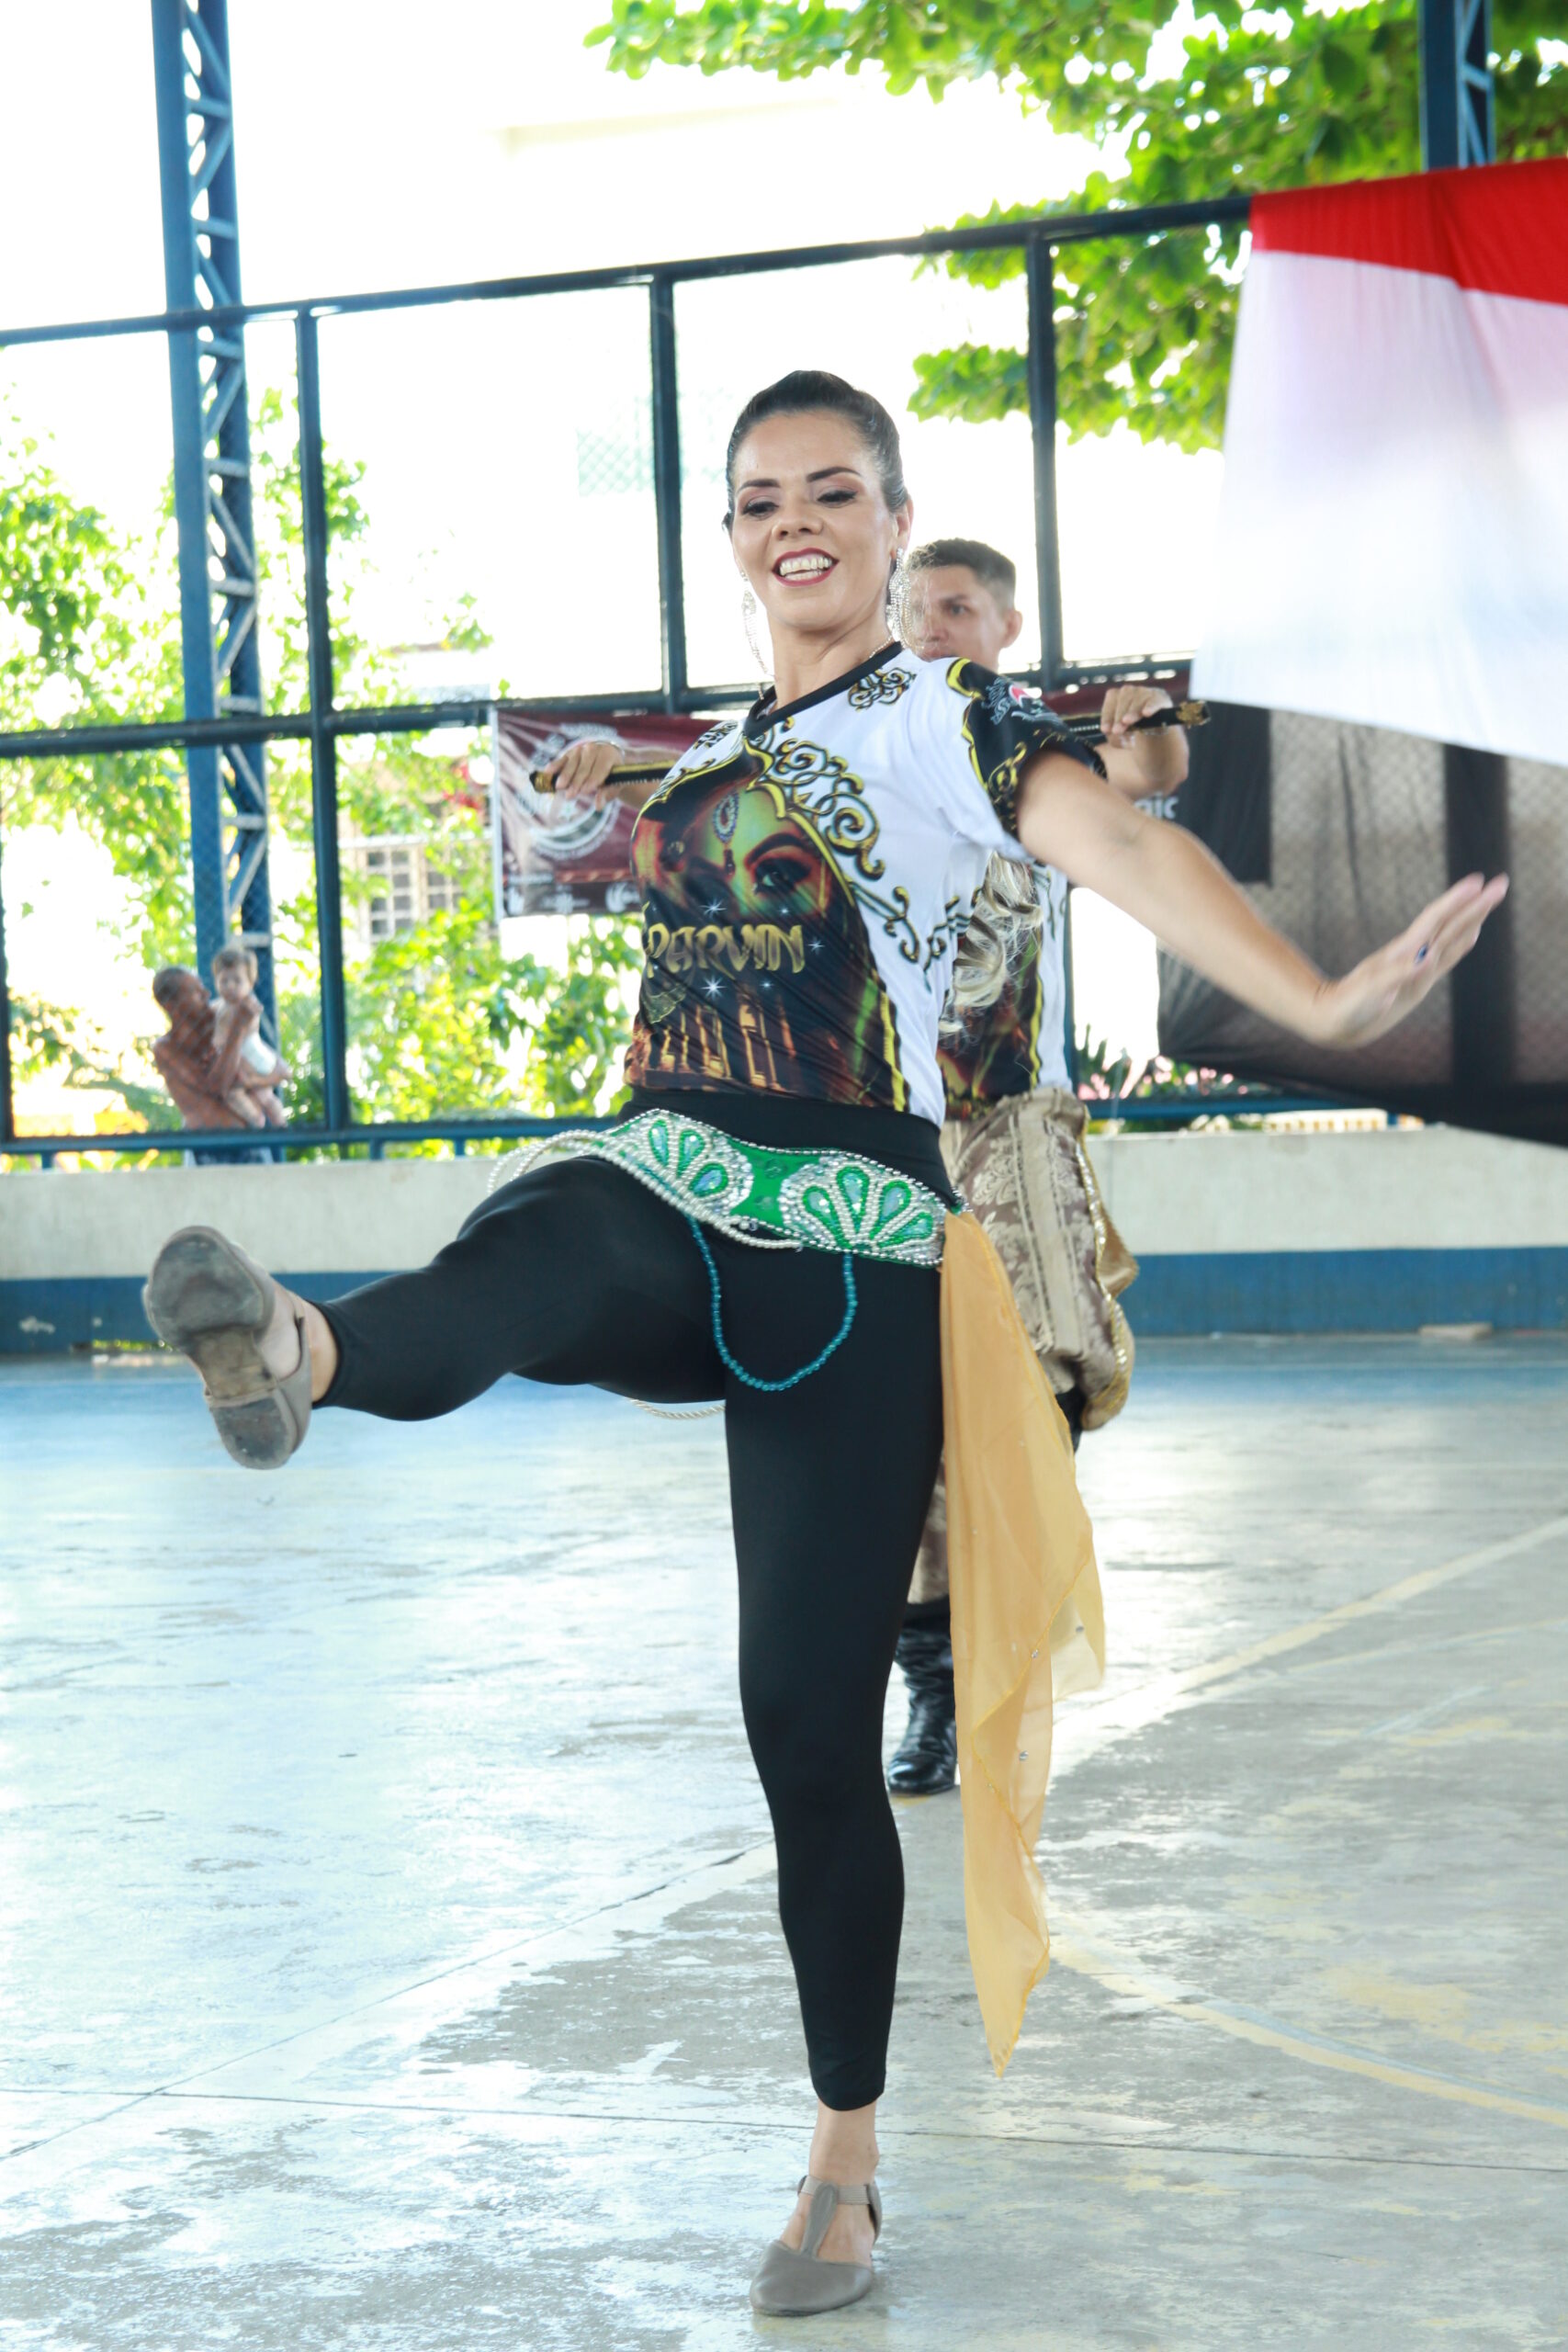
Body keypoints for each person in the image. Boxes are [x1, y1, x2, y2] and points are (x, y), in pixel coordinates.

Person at [141, 372, 1503, 2320]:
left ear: (889, 519)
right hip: (670, 1174)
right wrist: (566, 795)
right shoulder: (704, 761)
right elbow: (583, 839)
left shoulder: (950, 720)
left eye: (835, 491)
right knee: (536, 1244)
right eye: (763, 495)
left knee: (802, 1725)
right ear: (729, 535)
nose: (798, 520)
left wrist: (1317, 994)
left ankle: (844, 2164)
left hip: (856, 1243)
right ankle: (293, 1350)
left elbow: (1119, 846)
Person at [886, 537, 1186, 1796]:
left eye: (955, 607)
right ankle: (935, 1684)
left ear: (1005, 626)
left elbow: (1148, 779)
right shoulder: (858, 747)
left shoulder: (1027, 752)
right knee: (897, 1413)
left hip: (1010, 1115)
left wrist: (1143, 726)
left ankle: (1009, 1624)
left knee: (1049, 1362)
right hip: (887, 1126)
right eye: (912, 607)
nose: (928, 625)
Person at [150, 966, 275, 1165]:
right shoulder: (165, 1048)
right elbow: (216, 1087)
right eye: (196, 992)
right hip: (210, 1148)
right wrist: (237, 1030)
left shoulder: (220, 1028)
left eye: (203, 988)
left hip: (250, 1140)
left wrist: (249, 1077)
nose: (206, 995)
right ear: (171, 1005)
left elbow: (276, 1071)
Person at [210, 943, 288, 1130]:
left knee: (240, 1094)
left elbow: (221, 1039)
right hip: (243, 1058)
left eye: (237, 981)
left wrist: (216, 1040)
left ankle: (258, 1122)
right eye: (224, 981)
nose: (230, 986)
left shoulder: (246, 1007)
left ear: (250, 983)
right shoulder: (221, 1005)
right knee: (265, 1097)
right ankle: (275, 1123)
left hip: (254, 1061)